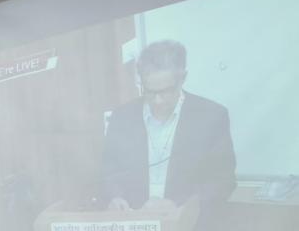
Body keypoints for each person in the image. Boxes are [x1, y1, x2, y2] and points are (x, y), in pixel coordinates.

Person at [101, 40, 236, 211]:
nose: (158, 101)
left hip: (189, 226)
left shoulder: (212, 117)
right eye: (150, 91)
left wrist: (182, 206)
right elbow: (109, 172)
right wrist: (115, 197)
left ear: (183, 78)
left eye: (166, 91)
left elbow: (223, 181)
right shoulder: (121, 117)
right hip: (134, 223)